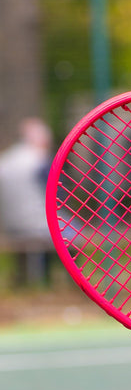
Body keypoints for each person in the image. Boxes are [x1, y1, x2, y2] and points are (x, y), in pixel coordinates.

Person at [0, 117, 53, 285]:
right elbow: (57, 197)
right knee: (71, 232)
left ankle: (25, 281)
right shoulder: (40, 161)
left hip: (10, 225)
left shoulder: (5, 160)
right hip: (39, 224)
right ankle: (53, 281)